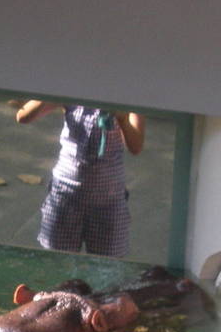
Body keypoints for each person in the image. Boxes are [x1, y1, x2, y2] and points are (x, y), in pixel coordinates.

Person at [16, 100, 145, 257]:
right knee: (57, 262)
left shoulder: (127, 95)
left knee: (107, 267)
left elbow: (136, 145)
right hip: (64, 194)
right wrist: (54, 90)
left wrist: (123, 119)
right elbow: (23, 116)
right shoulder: (75, 92)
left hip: (109, 200)